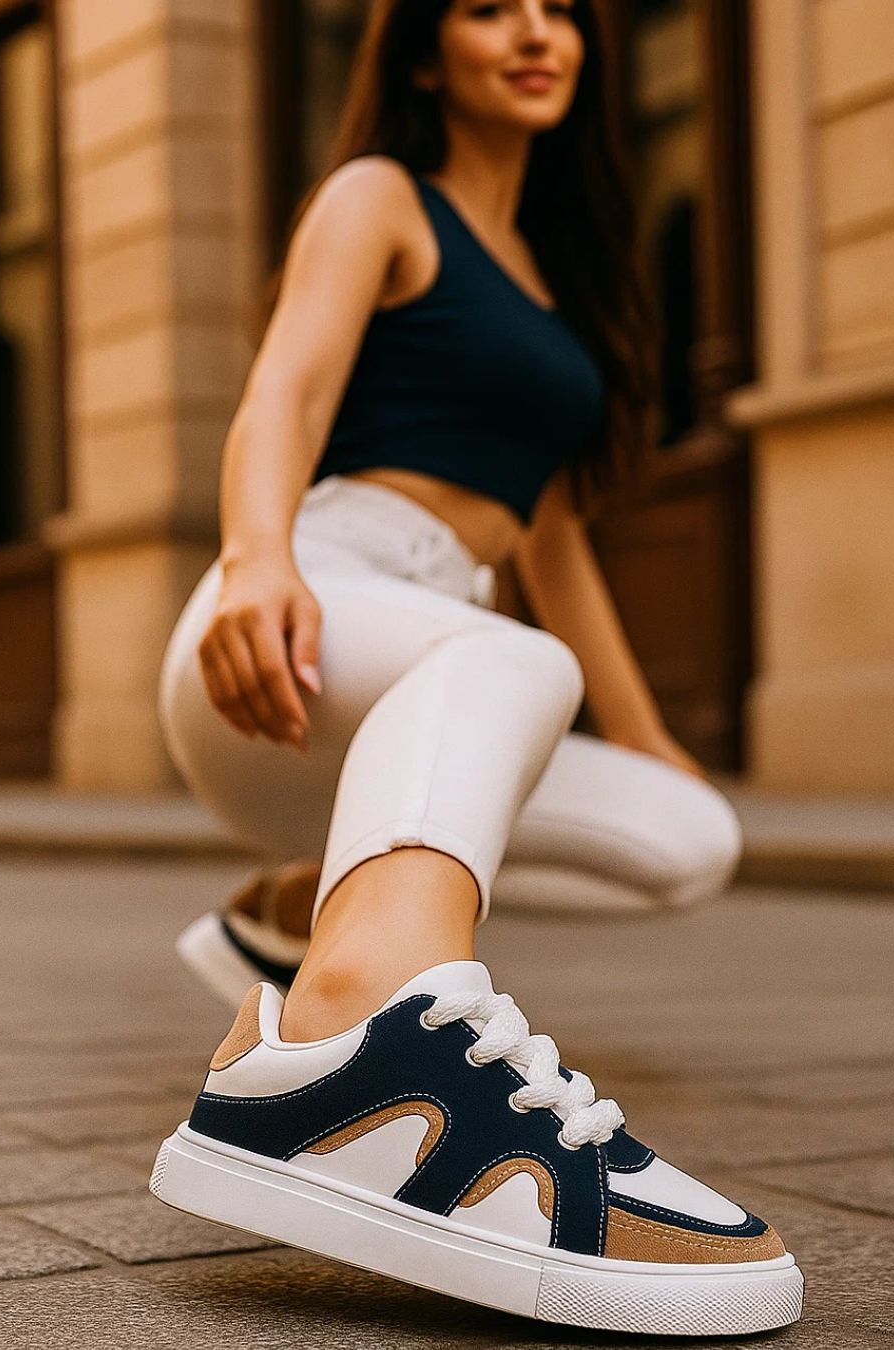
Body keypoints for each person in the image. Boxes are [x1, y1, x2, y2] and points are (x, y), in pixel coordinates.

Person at [151, 0, 803, 1335]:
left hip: (441, 665)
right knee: (513, 658)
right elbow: (284, 386)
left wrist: (650, 739)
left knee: (689, 834)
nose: (536, 31)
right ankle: (353, 1038)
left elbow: (554, 543)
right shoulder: (381, 195)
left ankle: (301, 908)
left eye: (561, 10)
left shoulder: (552, 274)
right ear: (421, 48)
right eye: (490, 6)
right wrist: (255, 555)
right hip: (312, 610)